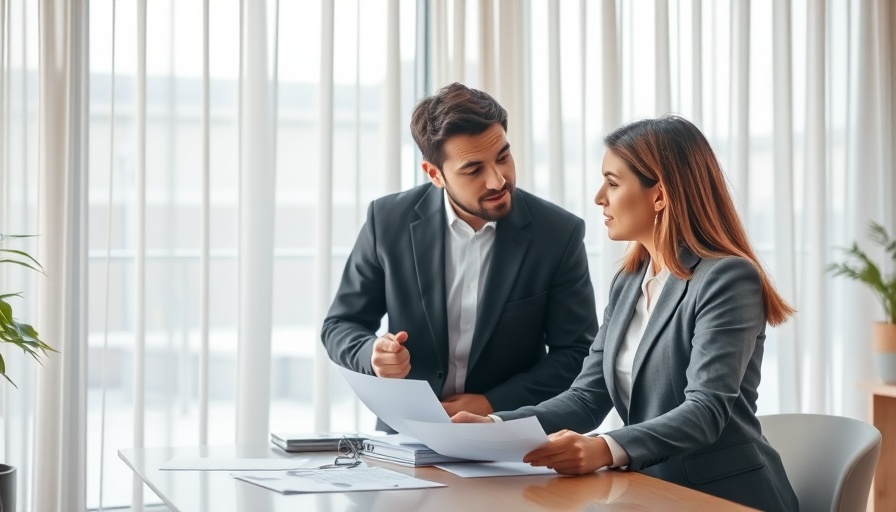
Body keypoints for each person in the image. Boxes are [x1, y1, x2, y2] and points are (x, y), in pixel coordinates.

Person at [453, 115, 799, 512]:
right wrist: (495, 428)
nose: (600, 196)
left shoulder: (727, 278)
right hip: (646, 493)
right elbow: (587, 398)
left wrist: (604, 448)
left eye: (613, 183)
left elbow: (705, 411)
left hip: (723, 497)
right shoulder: (630, 281)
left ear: (660, 196)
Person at [321, 83, 599, 432]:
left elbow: (576, 354)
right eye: (473, 170)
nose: (498, 180)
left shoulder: (558, 233)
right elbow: (340, 326)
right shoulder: (388, 221)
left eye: (503, 157)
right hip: (406, 436)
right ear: (435, 174)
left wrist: (492, 403)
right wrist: (373, 356)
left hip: (507, 438)